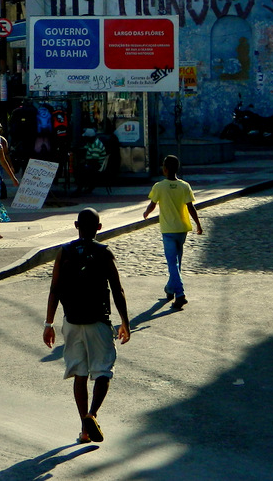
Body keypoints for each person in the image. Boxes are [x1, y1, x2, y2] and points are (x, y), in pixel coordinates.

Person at [43, 208, 131, 445]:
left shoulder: (64, 252)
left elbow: (54, 290)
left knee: (79, 375)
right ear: (99, 228)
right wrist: (125, 322)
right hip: (98, 322)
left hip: (71, 322)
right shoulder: (103, 253)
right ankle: (92, 414)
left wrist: (49, 323)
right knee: (103, 371)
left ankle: (84, 429)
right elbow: (117, 290)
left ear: (75, 225)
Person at [142, 154, 203, 309]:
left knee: (172, 263)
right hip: (182, 230)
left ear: (165, 169)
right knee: (177, 262)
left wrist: (146, 213)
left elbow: (152, 203)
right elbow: (191, 207)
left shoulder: (159, 186)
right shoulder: (184, 186)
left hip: (168, 230)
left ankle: (180, 294)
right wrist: (198, 224)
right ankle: (170, 289)